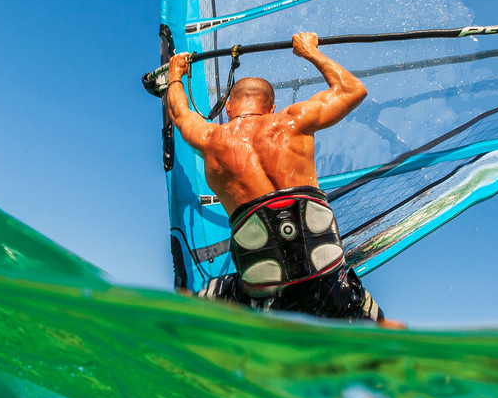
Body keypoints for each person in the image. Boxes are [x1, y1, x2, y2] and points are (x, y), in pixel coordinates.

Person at [165, 31, 402, 327]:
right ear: (271, 107)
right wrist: (309, 52)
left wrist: (175, 74)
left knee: (186, 304)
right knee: (384, 327)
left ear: (228, 107)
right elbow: (352, 91)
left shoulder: (211, 138)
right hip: (327, 280)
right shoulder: (293, 120)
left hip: (263, 292)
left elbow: (179, 113)